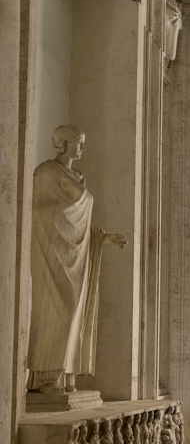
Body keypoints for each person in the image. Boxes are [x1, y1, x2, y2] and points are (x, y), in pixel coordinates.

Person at [27, 125, 126, 394]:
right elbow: (36, 211)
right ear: (64, 143)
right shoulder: (46, 172)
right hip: (50, 252)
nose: (82, 148)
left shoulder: (79, 177)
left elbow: (76, 223)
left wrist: (102, 238)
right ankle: (44, 377)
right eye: (78, 142)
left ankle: (64, 375)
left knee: (73, 313)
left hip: (76, 256)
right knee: (54, 312)